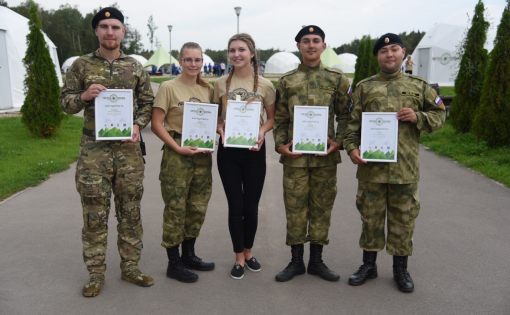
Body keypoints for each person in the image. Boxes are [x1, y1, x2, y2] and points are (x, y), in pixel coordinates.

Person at [60, 7, 154, 297]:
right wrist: (84, 96)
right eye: (104, 27)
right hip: (93, 153)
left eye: (115, 27)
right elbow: (66, 103)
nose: (110, 32)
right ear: (96, 31)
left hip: (128, 153)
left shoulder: (135, 66)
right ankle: (95, 274)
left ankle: (131, 268)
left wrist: (138, 125)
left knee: (130, 212)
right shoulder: (81, 66)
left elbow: (147, 101)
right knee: (94, 215)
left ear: (123, 31)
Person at [343, 33, 445, 293]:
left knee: (403, 219)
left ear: (403, 53)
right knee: (370, 218)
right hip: (371, 169)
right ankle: (369, 265)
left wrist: (418, 116)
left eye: (394, 49)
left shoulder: (419, 86)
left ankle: (401, 269)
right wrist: (352, 149)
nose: (389, 54)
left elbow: (439, 114)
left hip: (405, 169)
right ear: (377, 56)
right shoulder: (364, 87)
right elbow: (351, 125)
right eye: (383, 51)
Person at [273, 25, 351, 282]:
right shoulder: (287, 81)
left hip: (324, 158)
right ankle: (296, 261)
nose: (311, 45)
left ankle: (316, 261)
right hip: (295, 158)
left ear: (324, 46)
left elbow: (346, 115)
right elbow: (281, 118)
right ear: (298, 46)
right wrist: (280, 144)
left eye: (316, 40)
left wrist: (338, 142)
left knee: (321, 207)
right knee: (294, 208)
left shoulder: (337, 80)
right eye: (305, 41)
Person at [151, 42, 215, 283]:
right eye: (188, 59)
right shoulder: (168, 87)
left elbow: (212, 120)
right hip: (177, 154)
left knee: (197, 206)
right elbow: (157, 123)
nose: (193, 64)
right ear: (180, 61)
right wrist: (176, 146)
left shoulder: (207, 89)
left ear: (202, 62)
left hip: (201, 156)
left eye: (197, 60)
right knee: (176, 208)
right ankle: (174, 262)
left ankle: (189, 254)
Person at [214, 33, 275, 280]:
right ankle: (238, 255)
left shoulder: (266, 85)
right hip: (228, 152)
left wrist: (261, 131)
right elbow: (215, 116)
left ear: (252, 53)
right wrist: (219, 127)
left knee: (250, 206)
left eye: (241, 49)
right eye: (232, 50)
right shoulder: (219, 84)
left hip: (253, 151)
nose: (236, 54)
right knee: (235, 206)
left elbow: (272, 118)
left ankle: (249, 252)